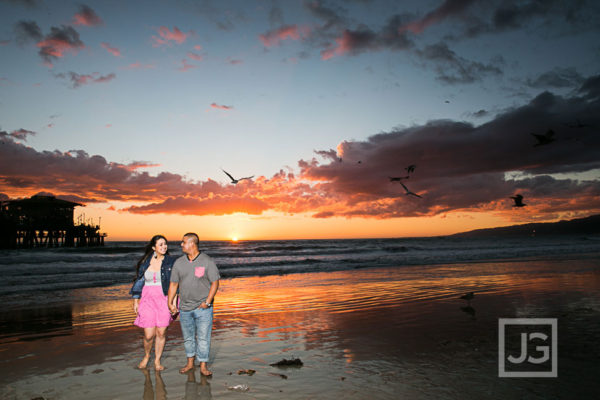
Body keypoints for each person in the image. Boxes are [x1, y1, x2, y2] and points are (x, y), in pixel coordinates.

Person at [168, 233, 220, 376]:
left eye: (183, 242)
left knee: (203, 338)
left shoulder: (207, 261)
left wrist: (208, 302)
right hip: (184, 308)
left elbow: (215, 282)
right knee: (188, 337)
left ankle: (203, 366)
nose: (181, 244)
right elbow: (173, 284)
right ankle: (190, 363)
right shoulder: (179, 262)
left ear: (192, 243)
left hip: (202, 308)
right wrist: (170, 302)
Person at [130, 234, 177, 370]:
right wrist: (135, 301)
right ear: (153, 247)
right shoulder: (145, 262)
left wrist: (173, 302)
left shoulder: (170, 262)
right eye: (160, 244)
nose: (164, 246)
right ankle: (146, 356)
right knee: (148, 334)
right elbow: (138, 282)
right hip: (147, 299)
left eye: (165, 244)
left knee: (161, 333)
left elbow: (175, 283)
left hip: (164, 299)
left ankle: (157, 360)